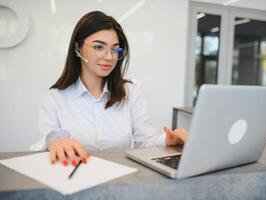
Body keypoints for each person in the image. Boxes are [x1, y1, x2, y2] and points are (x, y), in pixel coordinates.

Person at [30, 11, 187, 167]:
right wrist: (53, 143)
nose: (110, 57)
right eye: (99, 47)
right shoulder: (55, 98)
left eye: (115, 49)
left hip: (122, 181)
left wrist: (168, 140)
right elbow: (46, 142)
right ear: (78, 48)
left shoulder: (130, 92)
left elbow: (144, 142)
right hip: (73, 181)